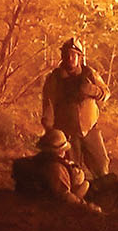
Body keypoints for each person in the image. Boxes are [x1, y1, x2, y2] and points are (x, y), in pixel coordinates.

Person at [40, 36, 112, 175]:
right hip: (67, 132)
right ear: (62, 56)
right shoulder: (55, 79)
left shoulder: (89, 73)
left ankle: (102, 193)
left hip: (90, 128)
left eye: (74, 55)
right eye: (67, 54)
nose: (70, 58)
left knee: (101, 165)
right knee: (73, 171)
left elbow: (106, 93)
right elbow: (48, 104)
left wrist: (93, 90)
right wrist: (50, 130)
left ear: (79, 57)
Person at [12, 129, 91, 202]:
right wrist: (83, 204)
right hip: (48, 203)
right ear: (61, 151)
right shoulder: (57, 168)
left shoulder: (39, 160)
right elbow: (64, 195)